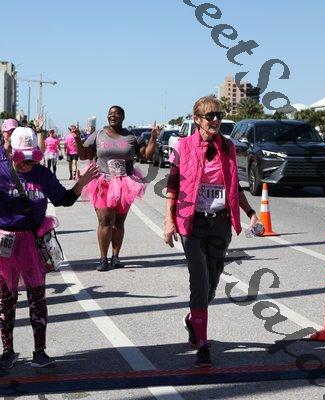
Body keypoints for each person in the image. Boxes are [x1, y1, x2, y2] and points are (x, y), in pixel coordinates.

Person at [0, 127, 99, 369]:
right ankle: (8, 351)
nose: (27, 163)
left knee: (38, 298)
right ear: (11, 152)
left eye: (32, 157)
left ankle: (40, 353)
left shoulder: (42, 174)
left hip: (33, 242)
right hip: (4, 242)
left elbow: (63, 199)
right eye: (23, 157)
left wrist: (82, 182)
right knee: (7, 299)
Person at [163, 96, 260, 368]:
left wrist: (250, 213)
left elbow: (234, 187)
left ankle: (192, 319)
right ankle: (203, 346)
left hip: (220, 224)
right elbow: (173, 185)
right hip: (191, 223)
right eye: (210, 116)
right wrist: (168, 220)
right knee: (199, 282)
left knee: (212, 284)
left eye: (219, 115)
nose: (215, 120)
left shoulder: (229, 147)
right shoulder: (182, 146)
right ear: (197, 119)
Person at [75, 105, 159, 271]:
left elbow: (145, 155)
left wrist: (153, 138)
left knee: (119, 222)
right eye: (110, 113)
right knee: (105, 220)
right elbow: (84, 155)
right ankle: (103, 259)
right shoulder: (98, 134)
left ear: (123, 117)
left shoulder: (131, 136)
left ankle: (115, 257)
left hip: (124, 184)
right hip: (103, 182)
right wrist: (77, 138)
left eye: (116, 113)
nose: (112, 116)